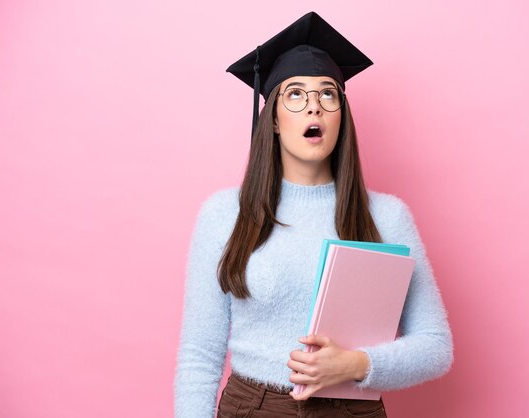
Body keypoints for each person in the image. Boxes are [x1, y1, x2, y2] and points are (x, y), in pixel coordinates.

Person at [173, 11, 453, 418]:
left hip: (351, 409)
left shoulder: (387, 216)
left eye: (327, 94)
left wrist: (357, 365)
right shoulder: (223, 215)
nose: (313, 108)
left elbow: (435, 345)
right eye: (295, 94)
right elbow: (199, 356)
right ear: (271, 118)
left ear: (342, 114)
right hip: (253, 408)